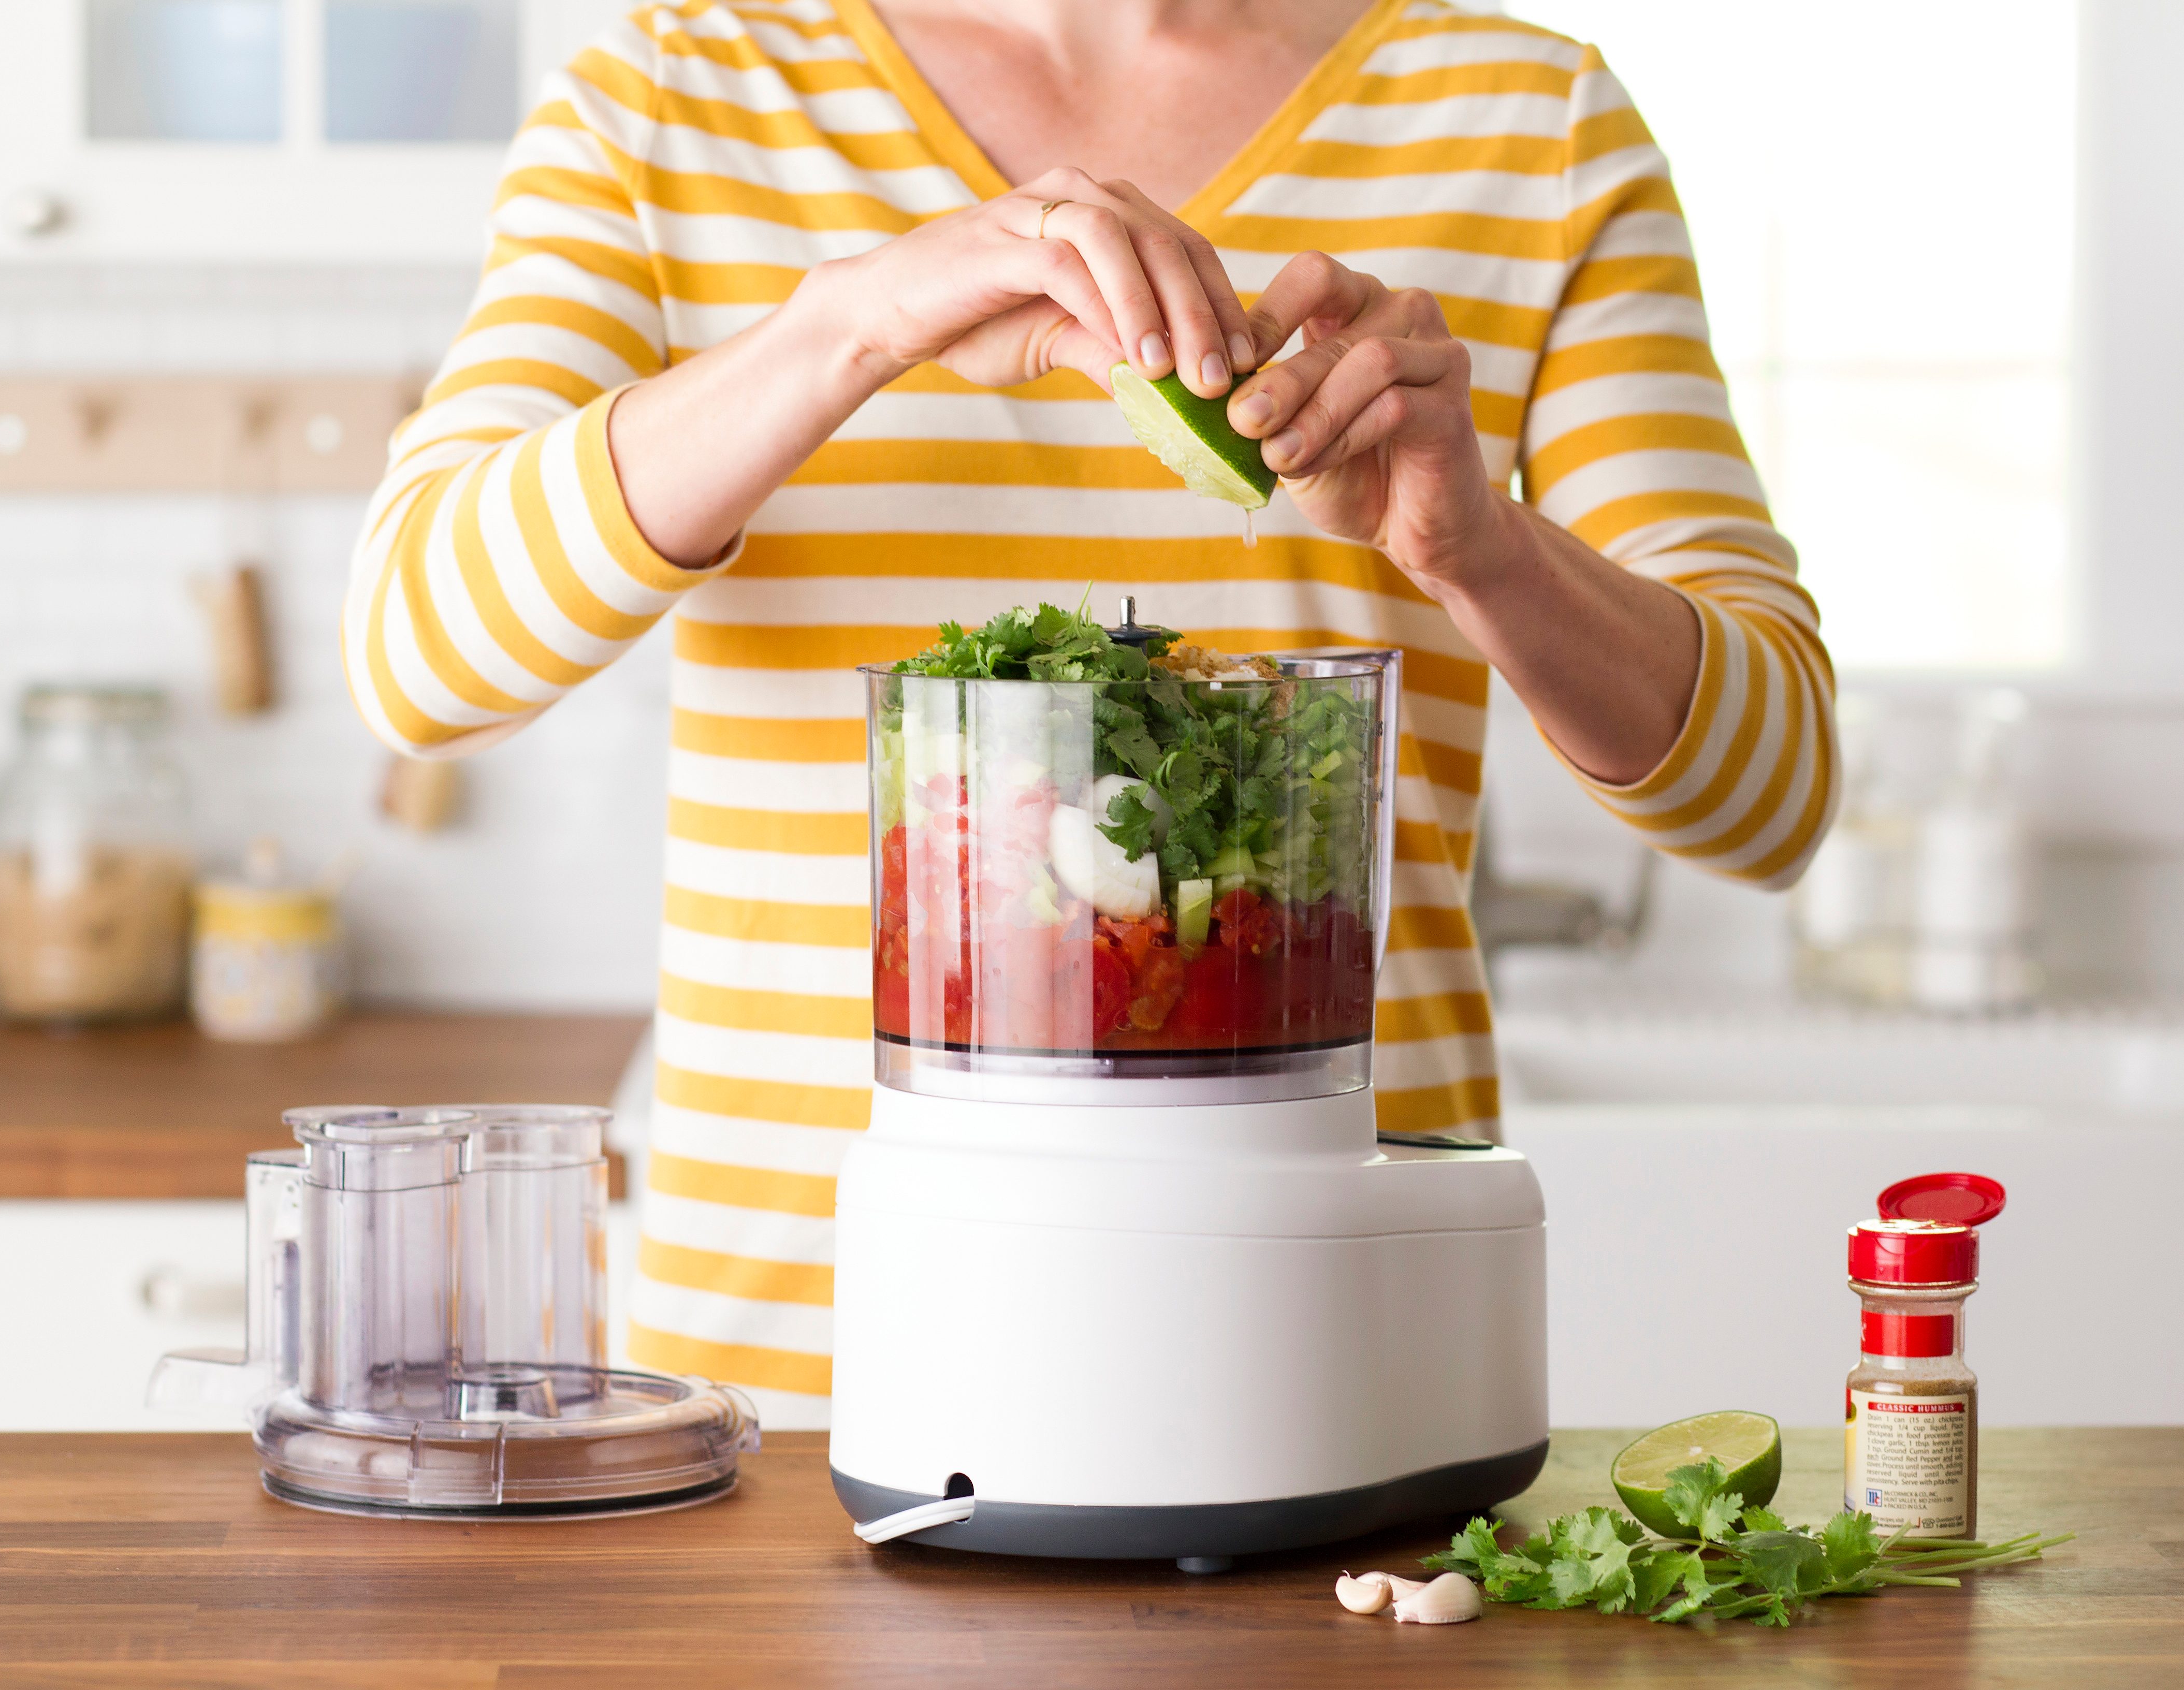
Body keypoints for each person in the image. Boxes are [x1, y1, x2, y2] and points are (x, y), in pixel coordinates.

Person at [343, 0, 1835, 1429]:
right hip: (796, 1373)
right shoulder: (673, 104)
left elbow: (1771, 797)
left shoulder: (1533, 127)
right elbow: (416, 654)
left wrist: (1477, 549)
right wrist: (843, 335)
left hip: (1340, 1362)